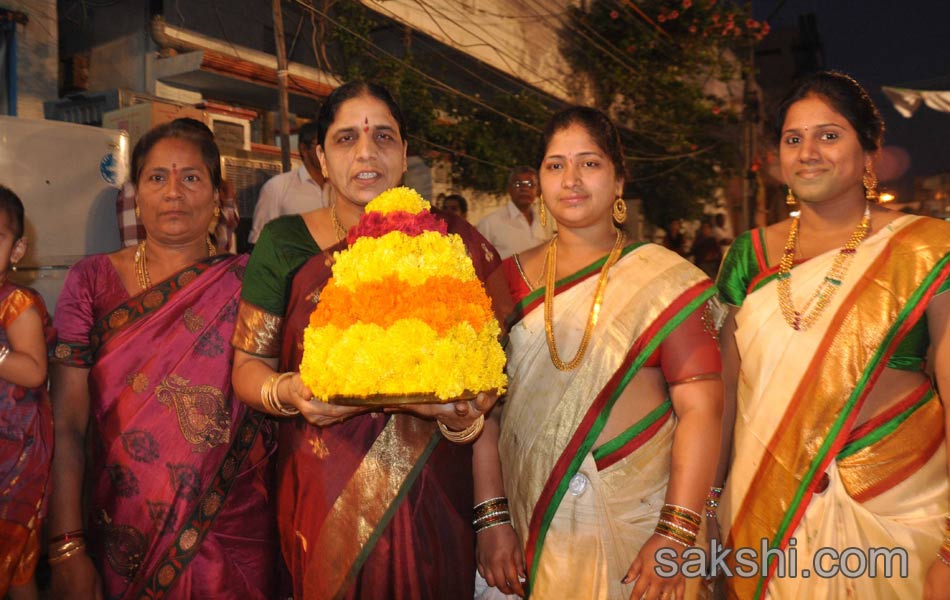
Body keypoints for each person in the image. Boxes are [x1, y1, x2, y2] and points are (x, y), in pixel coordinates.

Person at [230, 81, 513, 599]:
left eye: (383, 136)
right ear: (319, 156)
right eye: (345, 139)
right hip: (322, 492)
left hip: (437, 493)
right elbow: (248, 365)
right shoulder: (284, 242)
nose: (366, 152)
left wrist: (462, 416)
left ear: (405, 153)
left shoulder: (451, 243)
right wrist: (289, 392)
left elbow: (489, 383)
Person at [715, 71, 950, 599]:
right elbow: (725, 395)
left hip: (899, 508)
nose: (808, 153)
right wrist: (708, 508)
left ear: (870, 153)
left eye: (829, 135)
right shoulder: (748, 255)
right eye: (793, 139)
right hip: (766, 519)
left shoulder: (927, 250)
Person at [486, 106, 723, 599]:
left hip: (640, 526)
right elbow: (483, 411)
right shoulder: (506, 281)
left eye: (589, 163)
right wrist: (491, 518)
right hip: (536, 521)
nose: (570, 179)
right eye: (555, 165)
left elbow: (701, 409)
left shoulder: (666, 281)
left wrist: (676, 535)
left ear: (619, 181)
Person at [48, 119, 277, 600]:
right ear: (136, 195)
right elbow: (67, 424)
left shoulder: (252, 281)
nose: (174, 191)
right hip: (120, 535)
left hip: (233, 537)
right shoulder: (90, 281)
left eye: (191, 177)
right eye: (157, 177)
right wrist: (66, 547)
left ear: (219, 195)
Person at [0, 186, 53, 600]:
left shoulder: (15, 303)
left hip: (15, 451)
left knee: (15, 556)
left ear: (17, 250)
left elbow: (34, 371)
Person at [248, 121, 328, 244]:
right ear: (303, 149)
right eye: (320, 145)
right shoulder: (277, 188)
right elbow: (259, 242)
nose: (326, 151)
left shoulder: (342, 188)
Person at [478, 166, 553, 259]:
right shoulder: (490, 223)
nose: (524, 189)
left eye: (530, 184)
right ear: (509, 188)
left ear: (537, 189)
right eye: (518, 184)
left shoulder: (544, 223)